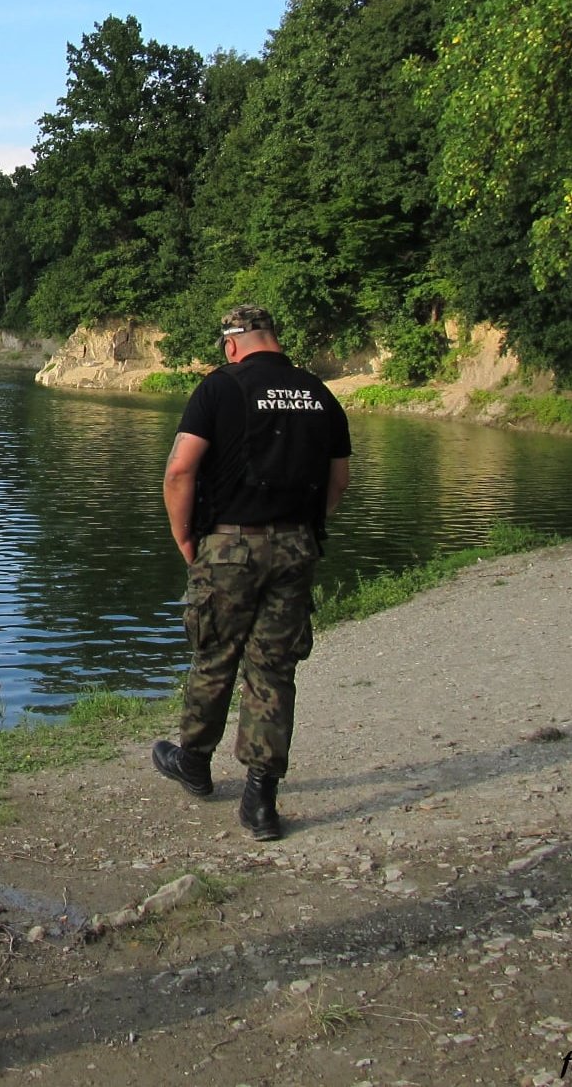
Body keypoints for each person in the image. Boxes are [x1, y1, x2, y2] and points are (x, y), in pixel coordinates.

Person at [152, 304, 351, 840]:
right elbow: (339, 481)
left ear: (232, 343)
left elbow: (180, 469)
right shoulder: (318, 393)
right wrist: (301, 530)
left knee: (215, 653)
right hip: (296, 547)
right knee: (273, 669)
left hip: (230, 546)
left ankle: (193, 762)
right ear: (273, 339)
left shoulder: (220, 389)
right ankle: (261, 800)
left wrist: (185, 535)